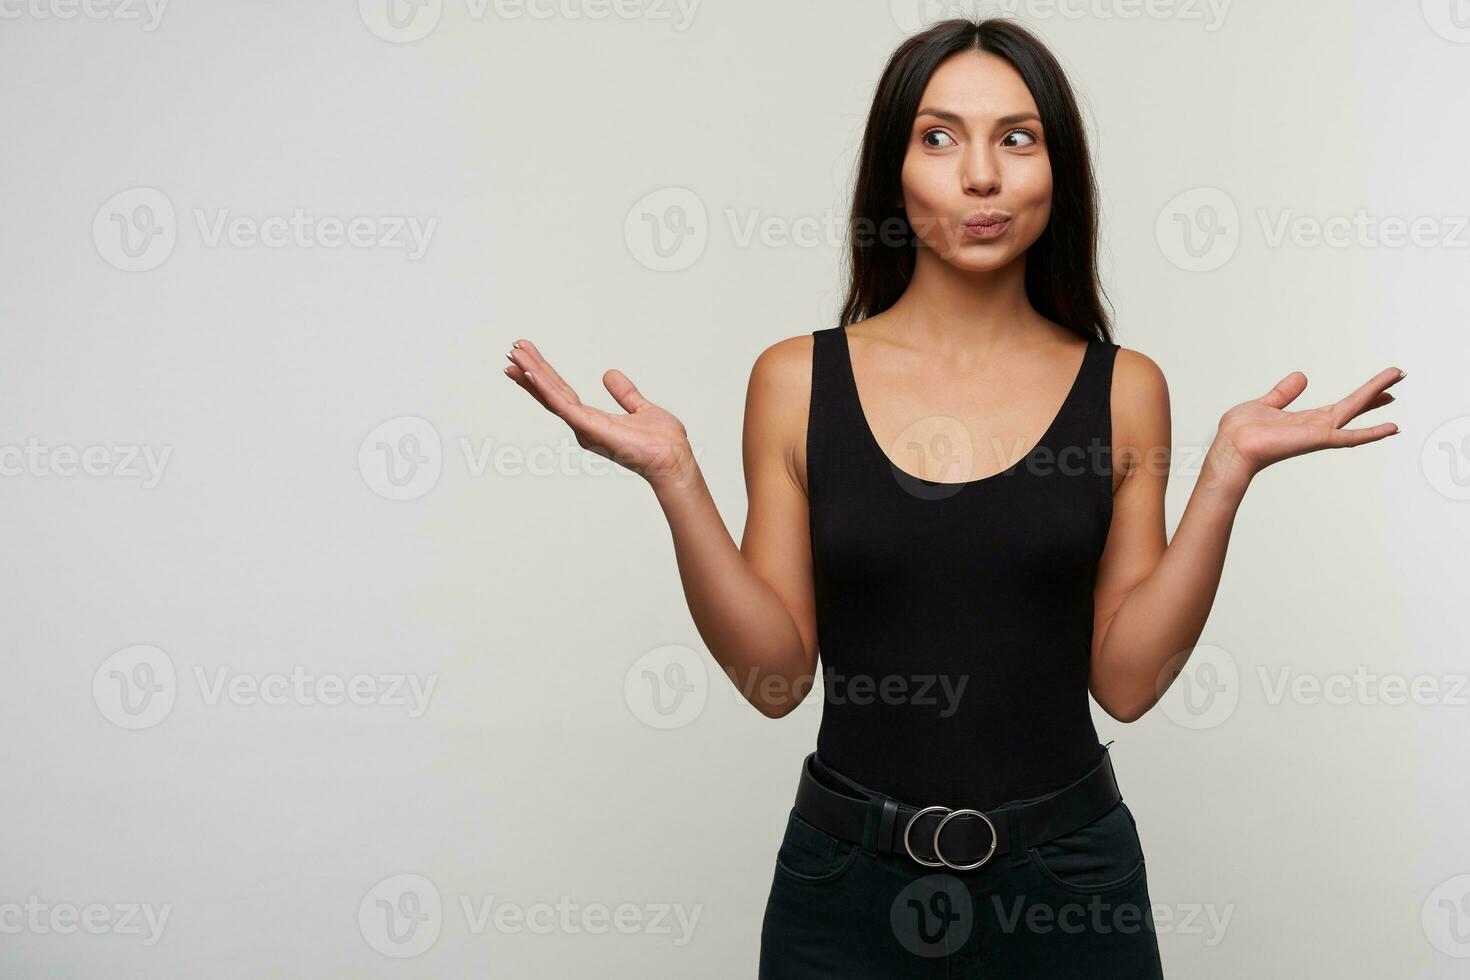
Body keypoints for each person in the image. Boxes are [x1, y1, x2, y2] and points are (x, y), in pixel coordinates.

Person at [502, 17, 1402, 978]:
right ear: (893, 173)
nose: (981, 176)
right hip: (844, 891)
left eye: (1017, 138)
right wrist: (677, 481)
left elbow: (1128, 684)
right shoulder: (796, 381)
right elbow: (776, 679)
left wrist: (1226, 475)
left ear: (1060, 173)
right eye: (939, 138)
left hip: (1069, 888)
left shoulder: (1126, 388)